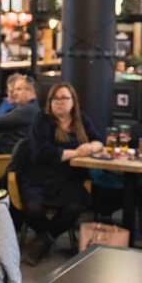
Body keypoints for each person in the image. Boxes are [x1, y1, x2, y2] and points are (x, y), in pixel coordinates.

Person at [20, 82, 103, 265]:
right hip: (40, 176)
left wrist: (90, 147)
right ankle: (46, 238)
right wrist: (76, 153)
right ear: (49, 102)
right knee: (33, 208)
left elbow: (99, 141)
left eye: (65, 98)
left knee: (73, 208)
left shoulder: (80, 120)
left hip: (69, 178)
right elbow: (42, 152)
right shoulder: (42, 120)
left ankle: (43, 239)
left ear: (73, 101)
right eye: (55, 99)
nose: (60, 102)